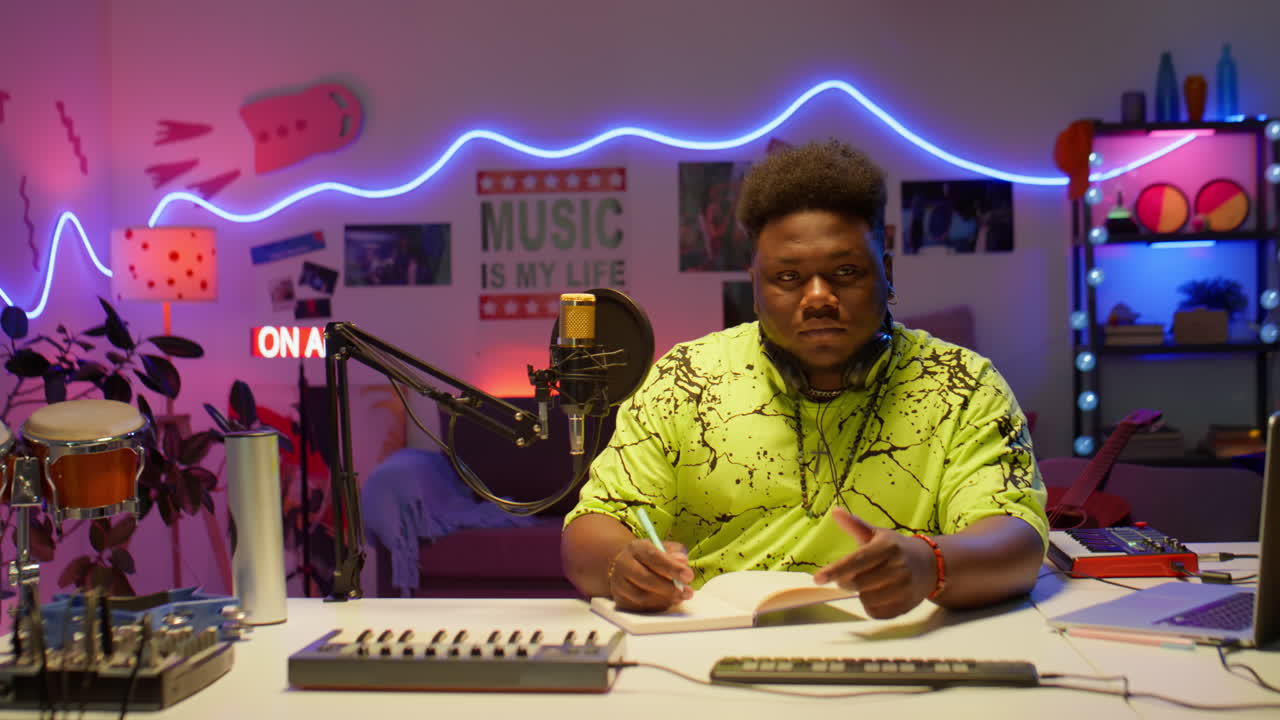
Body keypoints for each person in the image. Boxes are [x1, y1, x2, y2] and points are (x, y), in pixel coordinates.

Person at [561, 139, 1047, 619]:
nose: (818, 297)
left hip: (899, 644)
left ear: (888, 272)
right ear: (755, 287)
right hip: (713, 647)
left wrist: (930, 564)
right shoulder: (685, 379)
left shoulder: (963, 384)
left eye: (845, 271)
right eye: (788, 278)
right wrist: (620, 565)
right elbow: (592, 528)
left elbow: (1016, 537)